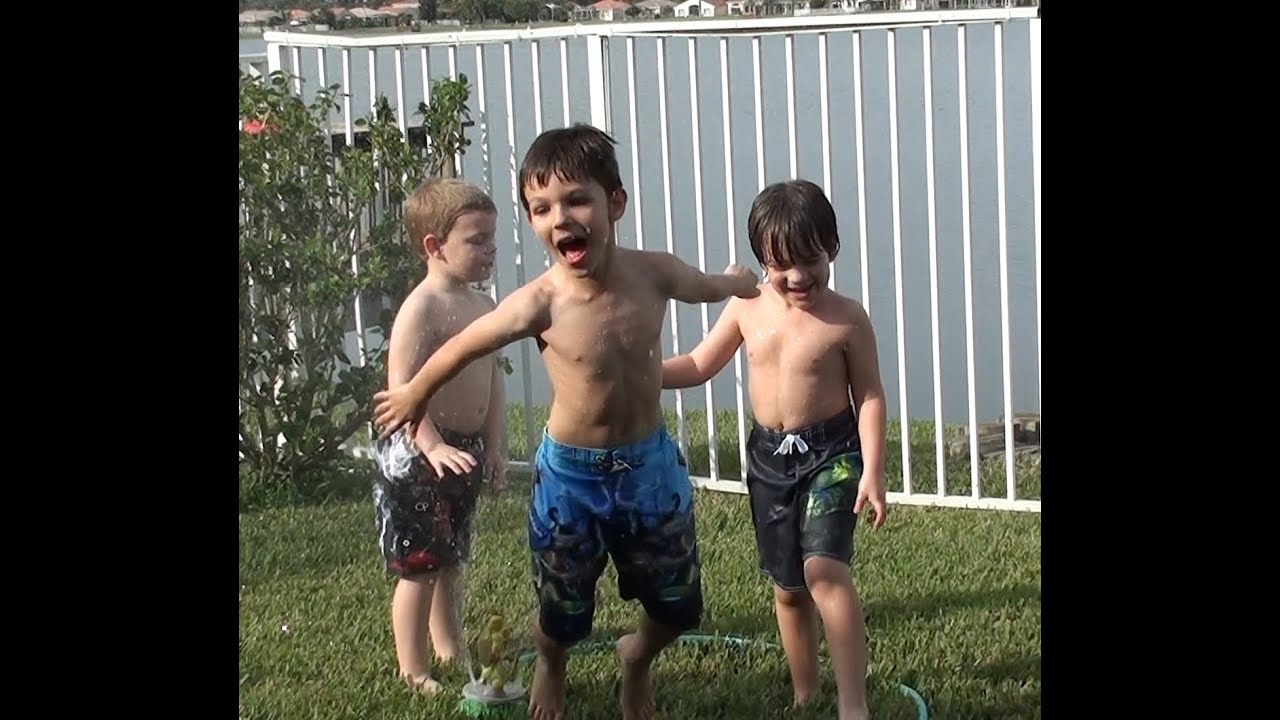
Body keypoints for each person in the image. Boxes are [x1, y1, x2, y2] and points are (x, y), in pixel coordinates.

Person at [371, 124, 760, 720]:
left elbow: (707, 286)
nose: (561, 218)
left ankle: (637, 659)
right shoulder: (541, 301)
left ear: (615, 203)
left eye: (577, 199)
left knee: (679, 605)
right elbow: (466, 346)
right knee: (563, 611)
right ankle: (550, 663)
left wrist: (738, 282)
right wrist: (415, 392)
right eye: (541, 208)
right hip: (571, 479)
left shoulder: (653, 273)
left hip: (648, 468)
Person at [660, 179, 888, 720]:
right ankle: (804, 691)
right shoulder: (747, 308)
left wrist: (873, 469)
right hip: (769, 460)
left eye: (811, 259)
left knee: (824, 571)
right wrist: (639, 373)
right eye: (781, 264)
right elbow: (698, 364)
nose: (798, 276)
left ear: (831, 248)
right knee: (788, 589)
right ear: (762, 260)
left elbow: (871, 394)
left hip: (831, 453)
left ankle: (852, 704)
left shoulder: (846, 318)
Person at [371, 177, 507, 695]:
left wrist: (494, 445)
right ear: (434, 246)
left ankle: (449, 646)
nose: (490, 250)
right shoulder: (422, 307)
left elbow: (493, 378)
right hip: (418, 452)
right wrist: (430, 445)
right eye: (477, 240)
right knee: (420, 566)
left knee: (450, 561)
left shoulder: (485, 306)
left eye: (492, 239)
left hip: (463, 450)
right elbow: (400, 389)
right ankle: (414, 668)